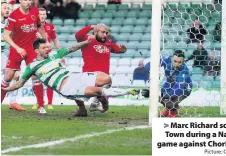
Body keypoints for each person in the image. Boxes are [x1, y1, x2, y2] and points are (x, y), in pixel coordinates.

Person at [1, 38, 140, 116]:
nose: (47, 49)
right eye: (44, 48)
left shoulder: (54, 55)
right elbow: (19, 84)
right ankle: (105, 102)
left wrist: (86, 42)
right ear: (37, 50)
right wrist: (5, 90)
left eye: (47, 47)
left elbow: (72, 48)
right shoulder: (32, 67)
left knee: (106, 79)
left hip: (74, 77)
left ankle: (83, 110)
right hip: (65, 87)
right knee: (97, 91)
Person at [2, 0, 47, 114]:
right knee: (8, 76)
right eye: (25, 0)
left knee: (35, 76)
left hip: (31, 49)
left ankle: (41, 106)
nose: (28, 2)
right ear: (20, 1)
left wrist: (46, 41)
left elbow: (39, 27)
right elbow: (6, 35)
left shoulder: (34, 11)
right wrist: (17, 48)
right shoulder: (13, 16)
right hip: (16, 49)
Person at [75, 23, 127, 114]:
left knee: (99, 93)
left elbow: (118, 50)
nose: (105, 35)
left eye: (106, 33)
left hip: (103, 77)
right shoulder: (87, 39)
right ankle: (83, 110)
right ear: (95, 31)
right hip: (88, 74)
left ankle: (101, 102)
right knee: (75, 91)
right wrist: (90, 26)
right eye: (103, 32)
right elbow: (78, 35)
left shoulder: (108, 43)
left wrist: (123, 50)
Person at [145, 50, 193, 118]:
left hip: (184, 88)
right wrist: (150, 71)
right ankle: (169, 109)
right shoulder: (167, 61)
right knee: (163, 92)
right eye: (175, 61)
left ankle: (172, 110)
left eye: (179, 62)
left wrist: (153, 95)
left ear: (183, 61)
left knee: (170, 101)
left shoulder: (184, 71)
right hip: (170, 83)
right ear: (171, 58)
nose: (177, 64)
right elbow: (149, 64)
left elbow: (176, 91)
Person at [32, 7, 62, 110]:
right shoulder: (32, 27)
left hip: (48, 56)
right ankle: (38, 102)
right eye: (40, 14)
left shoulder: (50, 27)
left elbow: (55, 40)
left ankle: (49, 103)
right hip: (36, 56)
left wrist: (61, 54)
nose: (43, 16)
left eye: (44, 14)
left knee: (50, 79)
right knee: (35, 79)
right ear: (37, 15)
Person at [1, 2, 25, 111]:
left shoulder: (8, 23)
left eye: (8, 8)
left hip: (2, 53)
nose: (7, 10)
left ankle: (13, 102)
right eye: (5, 8)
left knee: (16, 75)